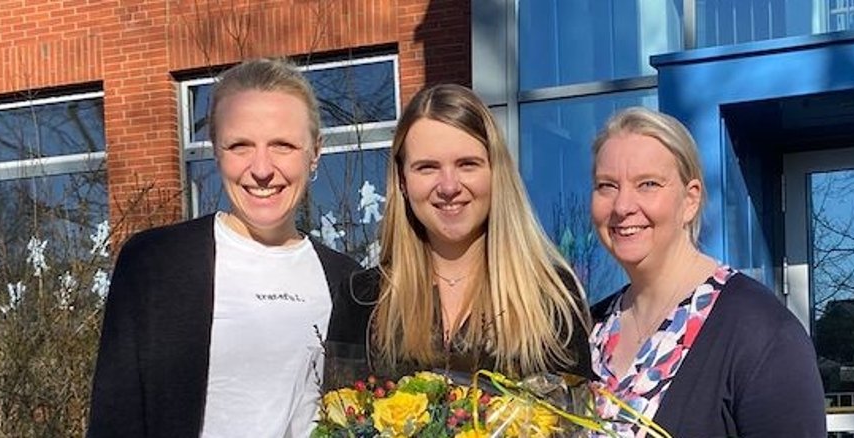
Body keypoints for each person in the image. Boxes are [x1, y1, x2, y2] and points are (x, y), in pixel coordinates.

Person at [87, 59, 360, 437]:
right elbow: (114, 421)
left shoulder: (348, 282)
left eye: (282, 145)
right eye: (240, 146)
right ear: (216, 151)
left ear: (314, 152)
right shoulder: (155, 264)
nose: (261, 168)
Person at [327, 84, 593, 381]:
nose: (449, 186)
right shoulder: (362, 299)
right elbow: (338, 420)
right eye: (427, 167)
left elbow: (575, 419)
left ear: (495, 171)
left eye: (467, 164)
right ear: (402, 180)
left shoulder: (549, 294)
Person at [587, 107, 826, 437]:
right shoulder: (589, 331)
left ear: (690, 199)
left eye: (648, 184)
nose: (622, 205)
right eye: (607, 186)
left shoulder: (761, 333)